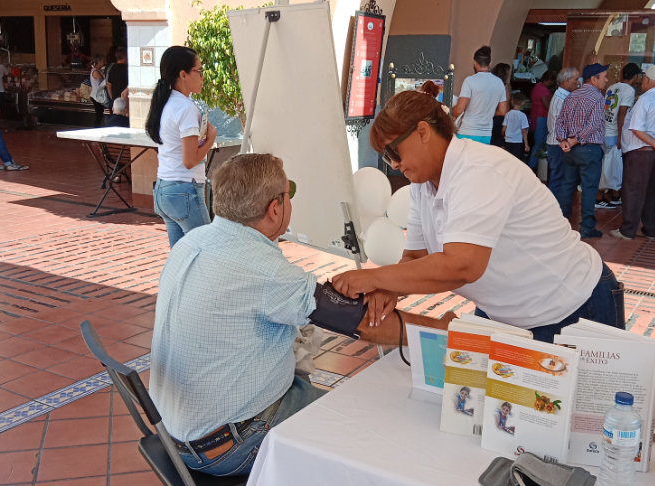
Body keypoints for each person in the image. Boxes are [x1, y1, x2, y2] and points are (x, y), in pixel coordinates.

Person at [150, 152, 456, 476]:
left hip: (174, 430)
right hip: (231, 442)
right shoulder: (266, 271)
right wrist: (442, 330)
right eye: (288, 194)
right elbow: (363, 324)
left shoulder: (191, 241)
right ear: (275, 209)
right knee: (366, 433)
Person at [331, 83, 624, 344]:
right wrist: (387, 287)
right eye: (386, 158)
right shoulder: (424, 185)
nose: (393, 165)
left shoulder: (477, 171)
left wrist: (375, 278)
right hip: (505, 312)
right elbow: (416, 257)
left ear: (422, 132)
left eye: (393, 153)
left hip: (571, 306)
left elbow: (462, 266)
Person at [146, 46, 215, 248]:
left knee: (180, 258)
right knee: (205, 253)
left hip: (164, 188)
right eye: (199, 71)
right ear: (183, 74)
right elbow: (190, 160)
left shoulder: (166, 103)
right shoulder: (186, 108)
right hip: (185, 189)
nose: (203, 76)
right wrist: (210, 140)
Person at [610, 65, 655, 241]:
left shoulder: (645, 100)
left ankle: (627, 231)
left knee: (633, 191)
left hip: (641, 152)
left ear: (647, 80)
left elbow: (637, 129)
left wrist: (652, 141)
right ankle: (650, 230)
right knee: (653, 192)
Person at [555, 63, 609, 239]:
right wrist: (573, 140)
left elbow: (560, 121)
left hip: (570, 150)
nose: (606, 80)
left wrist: (564, 140)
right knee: (589, 188)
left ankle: (561, 223)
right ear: (593, 79)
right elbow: (592, 126)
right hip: (589, 148)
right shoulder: (598, 98)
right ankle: (587, 227)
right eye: (604, 76)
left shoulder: (571, 96)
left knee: (567, 185)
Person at [596, 63, 640, 210]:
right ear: (636, 77)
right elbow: (622, 113)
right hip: (614, 133)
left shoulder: (612, 87)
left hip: (605, 131)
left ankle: (615, 196)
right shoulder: (629, 90)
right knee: (610, 168)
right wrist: (621, 136)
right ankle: (599, 197)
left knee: (610, 166)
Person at [453, 46, 508, 144]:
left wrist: (450, 111)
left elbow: (459, 109)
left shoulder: (470, 81)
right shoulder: (499, 83)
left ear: (475, 62)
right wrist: (487, 112)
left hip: (468, 132)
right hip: (486, 134)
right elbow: (503, 111)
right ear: (490, 63)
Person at [546, 67, 580, 199]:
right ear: (567, 80)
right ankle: (552, 208)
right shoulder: (564, 98)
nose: (578, 83)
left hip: (557, 142)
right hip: (559, 143)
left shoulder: (561, 95)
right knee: (559, 178)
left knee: (558, 177)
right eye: (576, 79)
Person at [527, 70, 557, 169]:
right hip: (541, 118)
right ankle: (531, 166)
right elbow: (548, 106)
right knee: (539, 144)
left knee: (540, 143)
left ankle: (534, 166)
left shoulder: (539, 87)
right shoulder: (542, 90)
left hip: (540, 117)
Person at [490, 63, 513, 148]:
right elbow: (507, 107)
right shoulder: (506, 86)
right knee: (500, 143)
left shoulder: (492, 84)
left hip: (491, 115)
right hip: (501, 117)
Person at [502, 92, 529, 160]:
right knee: (516, 159)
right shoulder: (523, 116)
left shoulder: (508, 114)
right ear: (523, 103)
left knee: (508, 159)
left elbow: (503, 129)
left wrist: (504, 136)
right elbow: (524, 131)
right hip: (517, 141)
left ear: (512, 101)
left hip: (508, 140)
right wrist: (526, 144)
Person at [90, 54, 107, 127]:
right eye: (103, 60)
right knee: (99, 114)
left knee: (99, 114)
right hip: (97, 95)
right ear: (98, 61)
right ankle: (95, 128)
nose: (104, 62)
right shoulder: (96, 71)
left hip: (98, 95)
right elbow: (102, 81)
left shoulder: (98, 70)